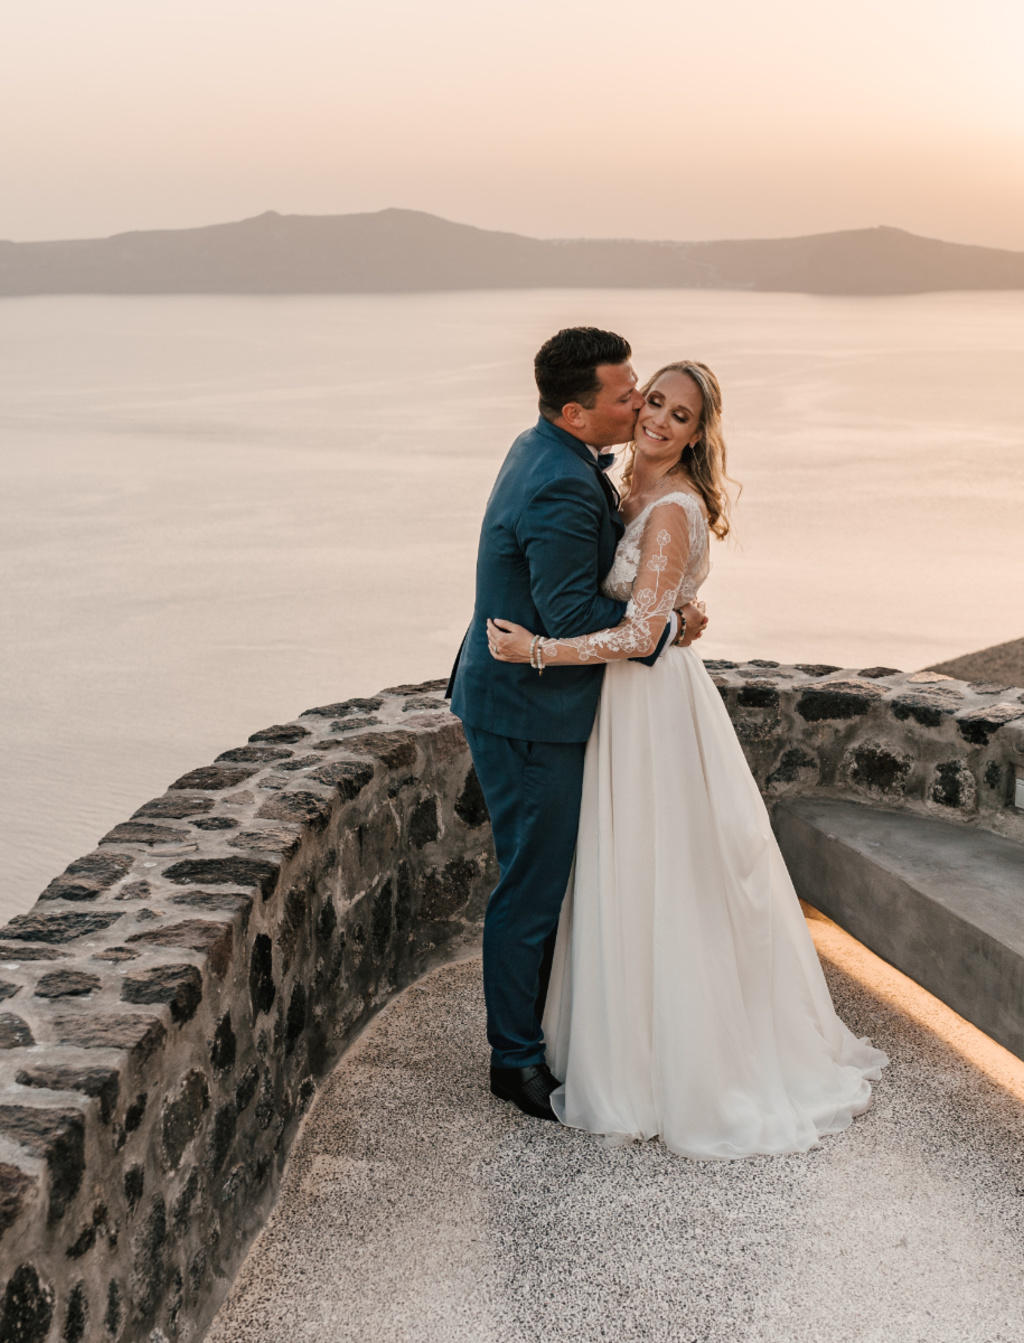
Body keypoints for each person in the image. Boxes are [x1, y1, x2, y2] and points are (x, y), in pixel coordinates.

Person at [488, 359, 888, 1158]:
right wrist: (675, 615)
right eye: (654, 401)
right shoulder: (619, 487)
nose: (659, 419)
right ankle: (616, 1036)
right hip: (618, 703)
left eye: (680, 414)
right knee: (623, 872)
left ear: (700, 434)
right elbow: (646, 610)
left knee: (664, 874)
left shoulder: (671, 508)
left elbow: (640, 633)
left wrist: (537, 649)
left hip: (650, 705)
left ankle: (675, 1059)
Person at [447, 328, 706, 1124]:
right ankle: (515, 1059)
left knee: (544, 878)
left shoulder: (544, 447)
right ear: (575, 411)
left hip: (521, 701)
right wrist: (666, 622)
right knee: (533, 886)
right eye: (628, 396)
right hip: (531, 711)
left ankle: (547, 1034)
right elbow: (569, 615)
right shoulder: (561, 484)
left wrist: (663, 602)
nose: (639, 407)